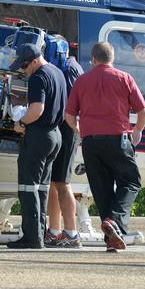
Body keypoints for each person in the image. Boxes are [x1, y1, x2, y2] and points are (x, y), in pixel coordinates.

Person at [65, 42, 145, 252]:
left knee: (101, 190)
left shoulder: (82, 81)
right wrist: (137, 130)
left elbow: (69, 115)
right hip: (118, 139)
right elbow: (143, 112)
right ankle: (114, 221)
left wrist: (79, 130)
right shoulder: (124, 78)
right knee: (130, 182)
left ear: (93, 59)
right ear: (112, 59)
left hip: (91, 142)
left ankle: (111, 238)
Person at [8, 43, 66, 249]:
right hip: (55, 136)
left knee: (27, 187)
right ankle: (39, 234)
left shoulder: (38, 76)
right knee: (41, 188)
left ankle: (31, 237)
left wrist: (21, 122)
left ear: (34, 61)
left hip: (38, 136)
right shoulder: (57, 72)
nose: (24, 71)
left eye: (24, 66)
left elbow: (37, 109)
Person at [45, 36, 84, 248]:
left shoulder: (69, 69)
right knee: (53, 182)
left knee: (62, 182)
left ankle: (71, 232)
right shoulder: (69, 66)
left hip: (67, 129)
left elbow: (68, 104)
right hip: (65, 128)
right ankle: (54, 230)